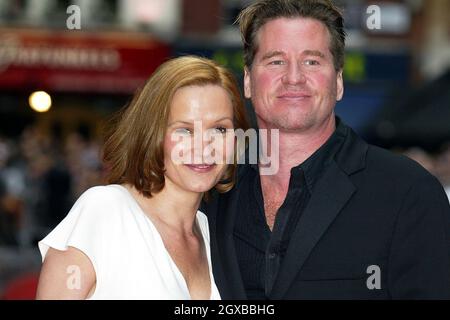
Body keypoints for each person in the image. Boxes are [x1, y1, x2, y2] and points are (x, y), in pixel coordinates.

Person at [201, 0, 450, 299]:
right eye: (276, 60)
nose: (294, 77)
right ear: (249, 81)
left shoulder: (409, 193)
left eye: (312, 61)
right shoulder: (210, 191)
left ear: (339, 81)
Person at [35, 56, 250, 299]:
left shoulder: (214, 235)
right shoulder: (106, 211)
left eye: (219, 129)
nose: (204, 146)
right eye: (185, 130)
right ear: (153, 134)